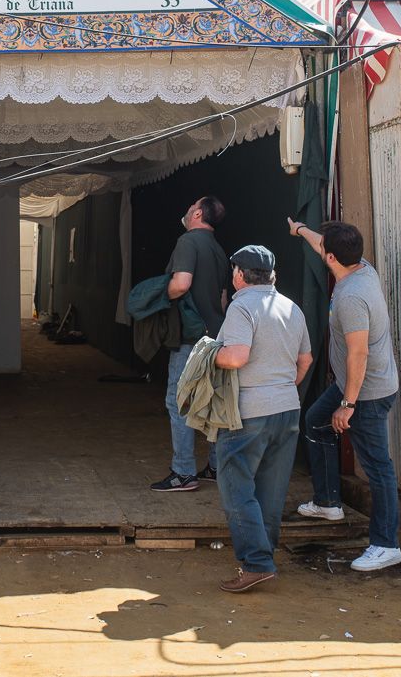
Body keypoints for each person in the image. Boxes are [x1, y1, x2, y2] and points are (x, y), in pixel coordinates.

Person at [288, 219, 401, 572]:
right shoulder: (361, 268)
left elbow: (359, 353)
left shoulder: (352, 297)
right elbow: (326, 243)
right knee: (315, 422)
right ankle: (328, 502)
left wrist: (348, 404)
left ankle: (386, 545)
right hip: (355, 385)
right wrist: (301, 230)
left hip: (366, 391)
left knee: (379, 468)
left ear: (332, 257)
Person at [211, 245, 313, 593]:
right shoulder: (292, 308)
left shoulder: (241, 307)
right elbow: (306, 360)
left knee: (236, 487)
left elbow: (237, 357)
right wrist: (281, 388)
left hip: (248, 413)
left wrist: (210, 355)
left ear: (239, 275)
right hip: (287, 409)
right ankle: (264, 558)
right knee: (271, 490)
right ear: (273, 276)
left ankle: (255, 563)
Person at [151, 195, 230, 493]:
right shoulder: (220, 250)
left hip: (189, 337)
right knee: (210, 401)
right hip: (215, 334)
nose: (185, 211)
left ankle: (183, 472)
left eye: (189, 208)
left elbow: (181, 284)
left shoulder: (188, 242)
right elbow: (222, 300)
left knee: (178, 400)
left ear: (197, 213)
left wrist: (159, 295)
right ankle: (215, 465)